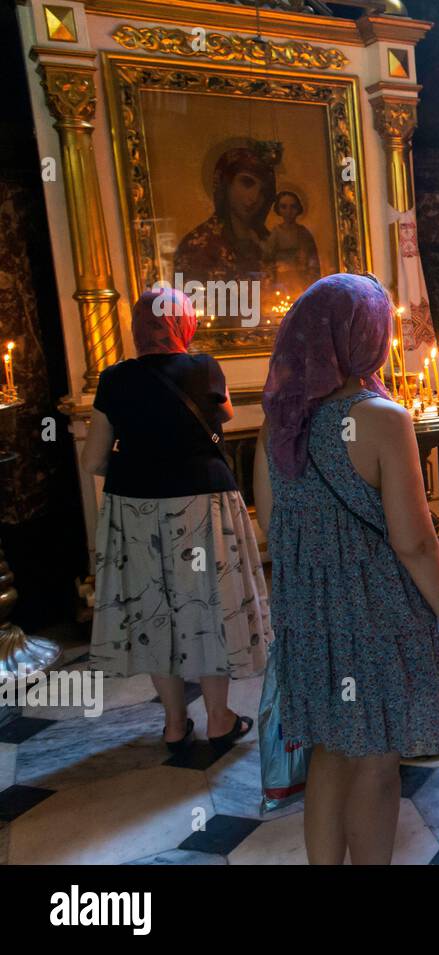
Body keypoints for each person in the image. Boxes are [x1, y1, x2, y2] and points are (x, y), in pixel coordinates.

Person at [253, 272, 439, 865]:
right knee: (375, 761)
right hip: (376, 618)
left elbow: (273, 529)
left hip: (307, 618)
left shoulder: (278, 423)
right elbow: (416, 543)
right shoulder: (381, 419)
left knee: (330, 752)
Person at [83, 288, 268, 752]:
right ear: (183, 323)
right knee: (207, 608)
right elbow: (223, 412)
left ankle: (173, 723)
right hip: (202, 504)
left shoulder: (114, 379)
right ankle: (220, 718)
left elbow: (94, 460)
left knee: (153, 612)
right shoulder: (202, 367)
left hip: (135, 509)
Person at [174, 146, 275, 287]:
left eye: (263, 191)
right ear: (226, 183)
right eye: (247, 183)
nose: (254, 197)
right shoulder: (197, 245)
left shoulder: (268, 242)